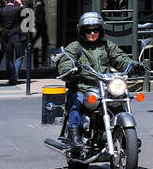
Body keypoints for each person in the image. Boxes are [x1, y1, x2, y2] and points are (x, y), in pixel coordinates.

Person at [56, 12, 133, 157]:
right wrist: (68, 69)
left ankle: (126, 135)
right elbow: (66, 59)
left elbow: (120, 58)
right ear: (82, 31)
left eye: (95, 30)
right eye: (88, 30)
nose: (92, 33)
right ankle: (75, 139)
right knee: (76, 102)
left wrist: (132, 65)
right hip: (82, 86)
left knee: (119, 99)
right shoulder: (76, 47)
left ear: (101, 30)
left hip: (104, 86)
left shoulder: (107, 45)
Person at [0, 0, 27, 85]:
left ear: (6, 2)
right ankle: (15, 76)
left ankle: (11, 77)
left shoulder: (2, 10)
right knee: (19, 56)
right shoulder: (17, 9)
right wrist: (21, 4)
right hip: (17, 36)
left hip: (6, 37)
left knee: (9, 58)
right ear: (14, 1)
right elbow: (26, 13)